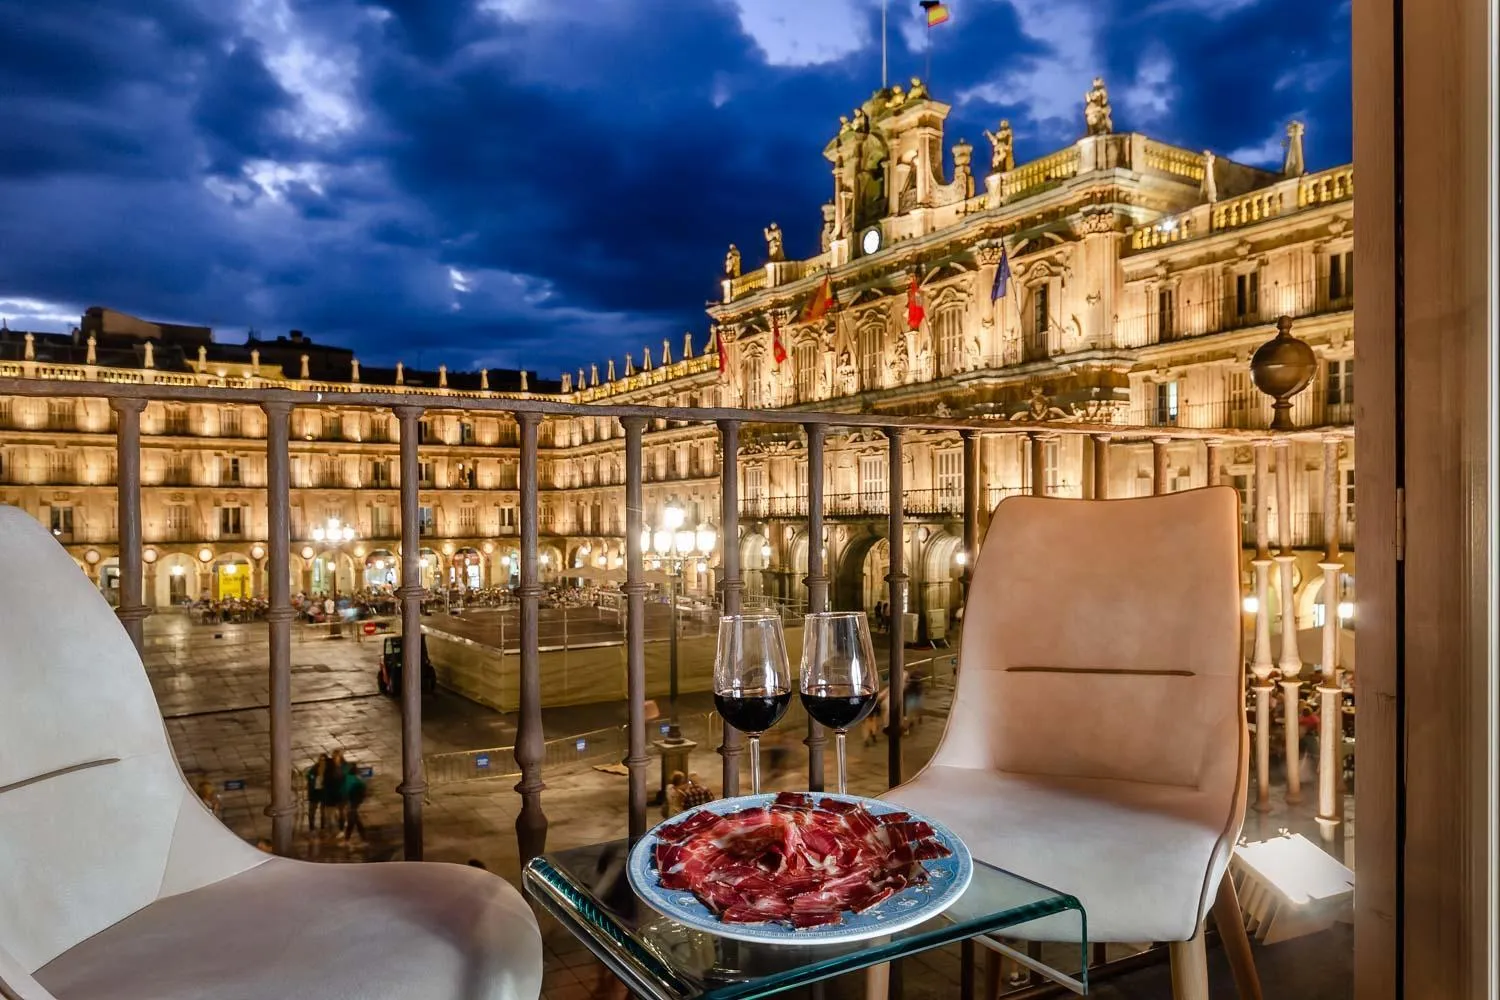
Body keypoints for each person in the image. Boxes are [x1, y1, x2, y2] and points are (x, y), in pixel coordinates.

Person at [322, 750, 349, 832]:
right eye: (333, 756)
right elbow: (326, 779)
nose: (334, 758)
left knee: (341, 811)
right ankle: (335, 828)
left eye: (336, 756)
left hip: (342, 793)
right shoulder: (330, 767)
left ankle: (341, 829)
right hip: (332, 792)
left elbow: (347, 779)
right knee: (332, 812)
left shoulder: (345, 766)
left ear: (340, 757)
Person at [341, 763, 367, 846]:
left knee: (353, 820)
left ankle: (349, 840)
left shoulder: (349, 778)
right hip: (355, 802)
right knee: (353, 820)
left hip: (352, 802)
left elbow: (346, 791)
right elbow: (363, 789)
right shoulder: (357, 778)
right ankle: (351, 840)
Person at [304, 757, 325, 833]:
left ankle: (323, 827)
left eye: (324, 761)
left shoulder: (327, 771)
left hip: (323, 793)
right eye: (321, 760)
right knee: (312, 811)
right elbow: (308, 776)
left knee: (323, 811)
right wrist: (313, 777)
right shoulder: (314, 769)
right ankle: (312, 827)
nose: (322, 762)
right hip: (314, 793)